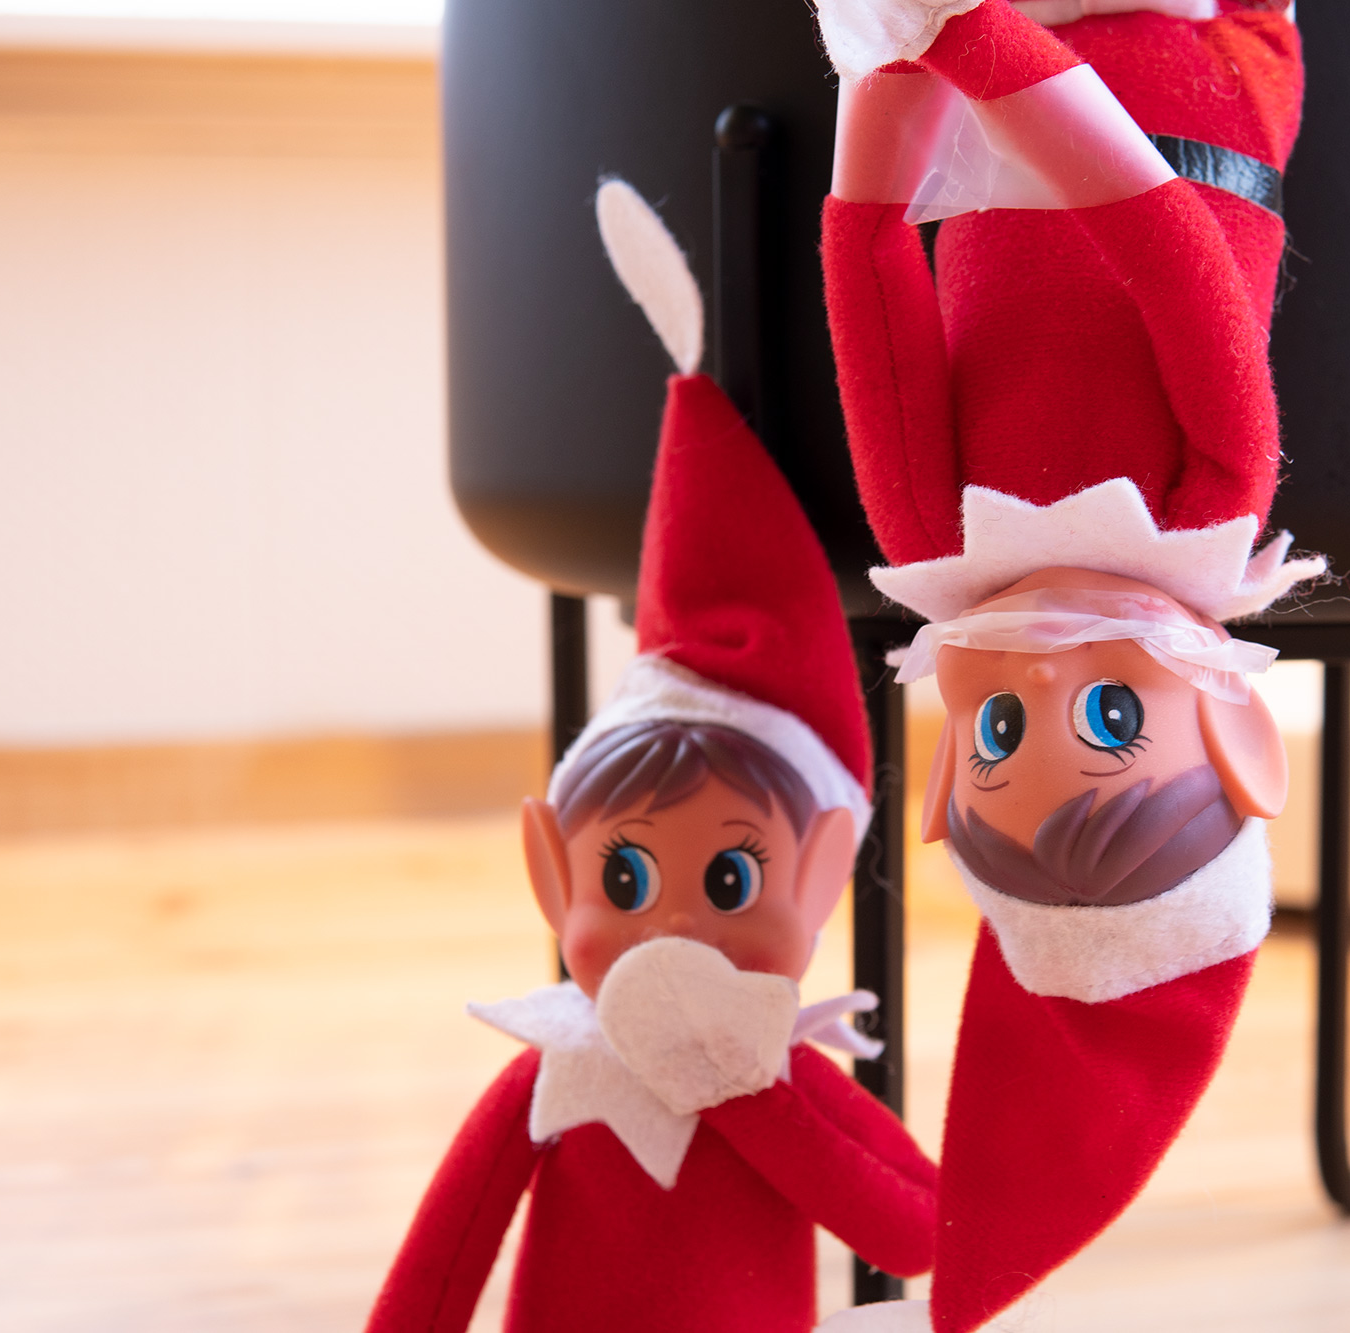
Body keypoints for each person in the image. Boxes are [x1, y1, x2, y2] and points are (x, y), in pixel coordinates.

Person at [812, 0, 1323, 1327]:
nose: (1036, 691)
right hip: (1201, 54)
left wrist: (888, 101)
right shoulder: (1210, 496)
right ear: (1233, 728)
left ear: (940, 779)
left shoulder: (936, 535)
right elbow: (1163, 239)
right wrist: (977, 45)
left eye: (996, 743)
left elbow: (870, 271)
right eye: (1106, 721)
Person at [365, 182, 937, 1333]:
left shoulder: (781, 1082)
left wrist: (747, 1089)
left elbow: (918, 1232)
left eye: (729, 878)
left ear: (822, 874)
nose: (673, 924)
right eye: (622, 877)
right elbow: (438, 1269)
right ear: (550, 872)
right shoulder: (553, 1073)